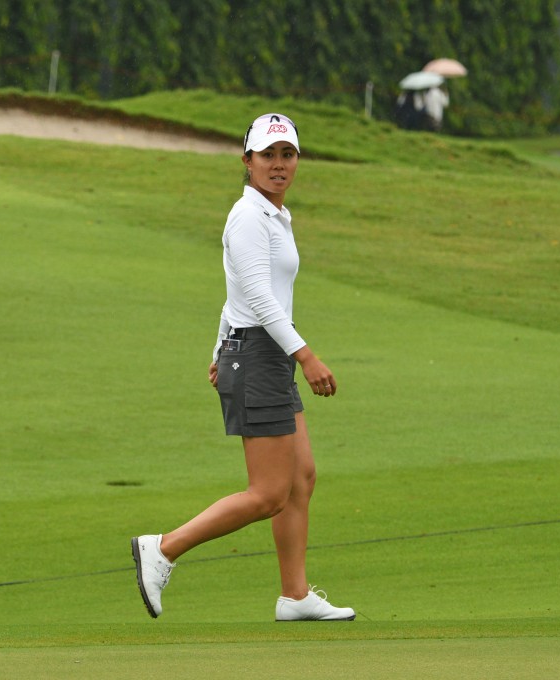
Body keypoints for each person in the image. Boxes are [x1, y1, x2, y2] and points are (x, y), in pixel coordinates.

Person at [132, 113, 355, 622]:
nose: (278, 164)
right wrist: (306, 355)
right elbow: (255, 294)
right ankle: (162, 548)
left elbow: (238, 292)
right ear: (247, 161)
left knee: (301, 477)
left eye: (287, 154)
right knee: (269, 494)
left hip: (261, 352)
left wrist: (219, 348)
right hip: (261, 354)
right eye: (267, 155)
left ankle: (295, 595)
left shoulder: (274, 214)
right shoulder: (249, 216)